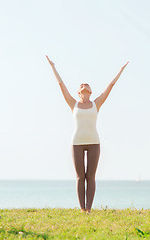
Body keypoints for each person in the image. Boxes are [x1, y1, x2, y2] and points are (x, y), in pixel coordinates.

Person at [46, 56, 128, 213]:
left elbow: (110, 86)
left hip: (94, 143)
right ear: (78, 92)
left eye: (87, 85)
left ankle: (88, 209)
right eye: (81, 85)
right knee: (80, 177)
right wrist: (53, 67)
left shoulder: (96, 103)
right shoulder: (73, 104)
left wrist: (120, 70)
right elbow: (60, 84)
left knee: (90, 177)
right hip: (76, 142)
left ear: (90, 91)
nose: (84, 85)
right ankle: (82, 209)